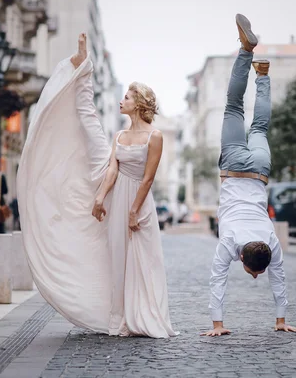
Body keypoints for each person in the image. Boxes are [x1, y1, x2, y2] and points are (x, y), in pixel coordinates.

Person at [16, 34, 177, 338]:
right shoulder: (118, 136)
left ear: (139, 103)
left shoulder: (155, 136)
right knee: (117, 258)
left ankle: (143, 313)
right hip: (117, 197)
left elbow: (148, 178)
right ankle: (119, 318)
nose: (121, 101)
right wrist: (100, 198)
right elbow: (113, 169)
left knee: (143, 259)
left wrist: (134, 211)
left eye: (127, 98)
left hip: (139, 202)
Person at [202, 14, 296, 337]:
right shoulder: (229, 241)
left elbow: (278, 276)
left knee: (259, 126)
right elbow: (217, 279)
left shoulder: (271, 239)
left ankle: (263, 73)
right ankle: (246, 51)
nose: (255, 276)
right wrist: (217, 324)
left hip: (259, 169)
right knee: (233, 108)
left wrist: (280, 318)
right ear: (242, 256)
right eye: (252, 272)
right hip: (232, 168)